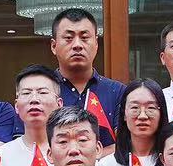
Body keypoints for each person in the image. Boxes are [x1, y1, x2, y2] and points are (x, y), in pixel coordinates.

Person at [48, 8, 126, 146]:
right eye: (68, 38)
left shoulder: (118, 92)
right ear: (54, 46)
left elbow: (125, 145)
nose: (77, 45)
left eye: (84, 38)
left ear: (96, 44)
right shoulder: (42, 92)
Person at [0, 65, 64, 166]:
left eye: (43, 92)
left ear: (59, 104)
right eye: (26, 93)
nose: (34, 99)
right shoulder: (1, 156)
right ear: (16, 106)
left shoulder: (73, 152)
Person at [96, 80, 167, 166]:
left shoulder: (172, 163)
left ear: (161, 113)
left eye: (151, 108)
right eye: (135, 108)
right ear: (124, 114)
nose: (142, 116)